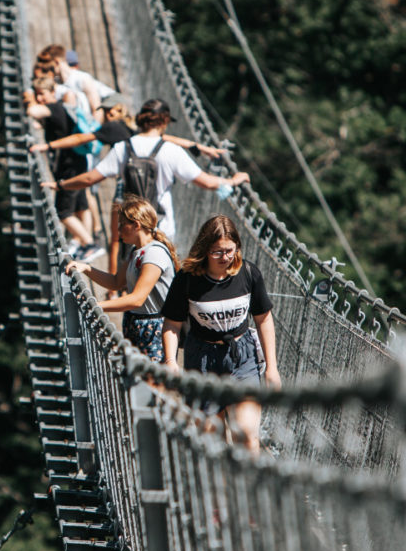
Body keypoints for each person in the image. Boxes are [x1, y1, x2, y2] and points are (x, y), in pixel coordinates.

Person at [37, 98, 245, 273]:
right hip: (162, 227)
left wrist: (61, 185)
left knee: (133, 277)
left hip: (132, 227)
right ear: (163, 122)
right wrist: (232, 181)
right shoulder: (170, 150)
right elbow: (207, 182)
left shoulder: (123, 148)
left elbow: (90, 178)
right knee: (158, 280)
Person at [161, 214, 281, 454]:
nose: (224, 257)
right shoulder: (187, 279)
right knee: (209, 443)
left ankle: (248, 490)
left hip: (242, 357)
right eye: (217, 252)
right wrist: (171, 361)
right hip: (203, 359)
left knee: (246, 437)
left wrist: (272, 367)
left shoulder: (248, 273)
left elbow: (263, 319)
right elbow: (172, 324)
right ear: (205, 249)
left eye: (229, 250)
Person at [65, 195, 178, 362]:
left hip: (154, 329)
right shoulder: (136, 251)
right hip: (136, 324)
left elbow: (136, 299)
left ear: (136, 225)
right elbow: (116, 282)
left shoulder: (154, 254)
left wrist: (95, 306)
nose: (118, 231)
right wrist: (87, 268)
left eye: (122, 225)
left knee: (151, 384)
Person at [24, 76, 103, 261]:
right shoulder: (63, 109)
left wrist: (29, 97)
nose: (40, 98)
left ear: (52, 92)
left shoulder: (54, 108)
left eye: (42, 94)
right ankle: (87, 243)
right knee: (81, 204)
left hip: (69, 167)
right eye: (38, 94)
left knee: (63, 211)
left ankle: (89, 244)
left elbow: (32, 111)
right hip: (79, 162)